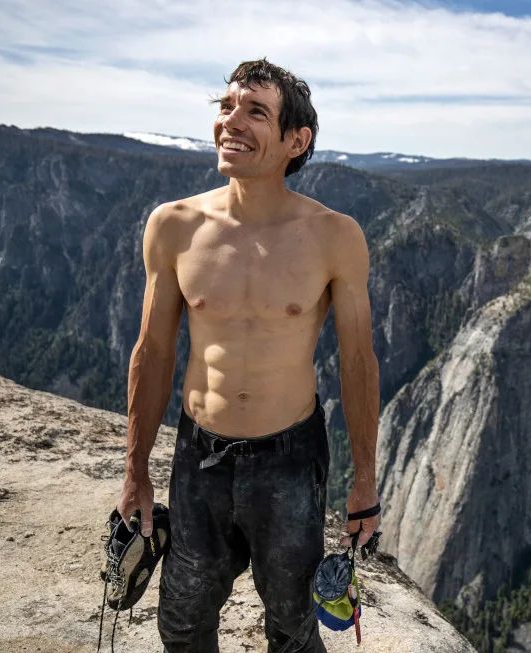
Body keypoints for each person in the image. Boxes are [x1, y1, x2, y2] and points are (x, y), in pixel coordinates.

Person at [116, 59, 381, 653]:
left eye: (255, 110)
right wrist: (136, 469)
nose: (230, 121)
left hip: (289, 459)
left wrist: (365, 482)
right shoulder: (174, 226)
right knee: (182, 625)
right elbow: (153, 352)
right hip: (198, 455)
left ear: (296, 140)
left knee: (293, 625)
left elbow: (359, 361)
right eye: (226, 105)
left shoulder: (335, 236)